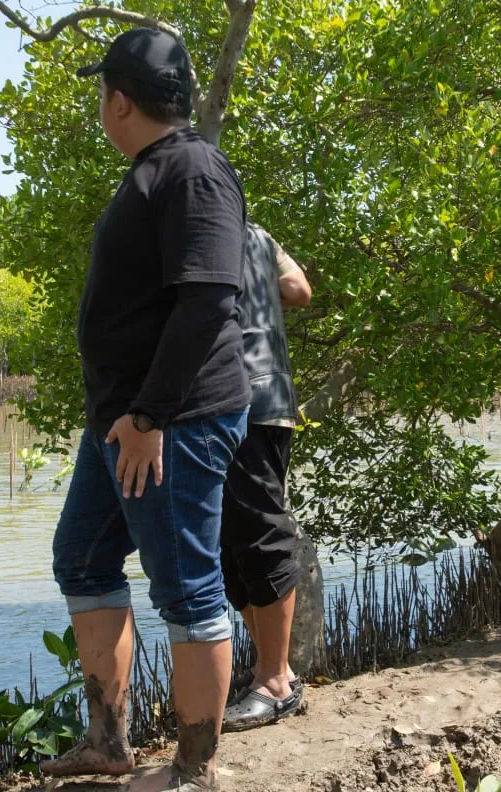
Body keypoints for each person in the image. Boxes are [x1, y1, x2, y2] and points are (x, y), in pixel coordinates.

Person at [45, 28, 250, 792]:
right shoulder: (156, 170)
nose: (101, 105)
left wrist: (153, 414)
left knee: (188, 586)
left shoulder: (193, 169)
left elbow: (206, 304)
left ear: (119, 99)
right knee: (83, 557)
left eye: (102, 93)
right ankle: (107, 740)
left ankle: (196, 769)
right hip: (126, 421)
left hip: (173, 423)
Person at [220, 223, 312, 733]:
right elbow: (298, 289)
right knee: (227, 545)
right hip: (269, 398)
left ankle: (275, 681)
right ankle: (278, 673)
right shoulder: (258, 235)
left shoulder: (203, 226)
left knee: (257, 534)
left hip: (241, 398)